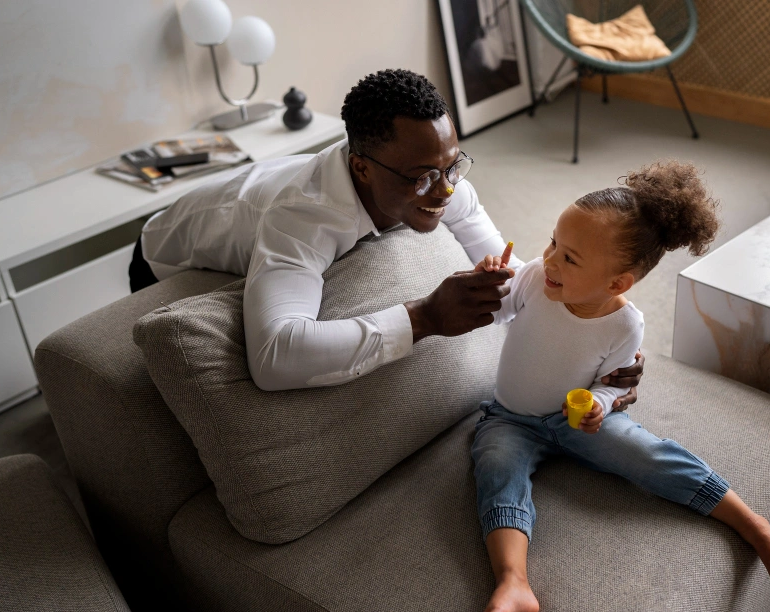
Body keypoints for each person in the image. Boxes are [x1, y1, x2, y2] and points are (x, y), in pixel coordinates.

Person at [128, 69, 644, 400]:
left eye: (452, 165)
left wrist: (603, 349)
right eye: (421, 176)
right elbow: (273, 358)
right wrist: (424, 317)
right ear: (363, 168)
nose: (444, 191)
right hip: (160, 254)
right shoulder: (302, 217)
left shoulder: (442, 182)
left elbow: (522, 283)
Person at [468, 162, 770, 612]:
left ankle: (753, 525)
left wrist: (601, 405)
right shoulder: (531, 278)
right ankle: (513, 582)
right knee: (496, 467)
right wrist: (491, 282)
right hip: (510, 417)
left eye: (570, 259)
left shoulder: (625, 325)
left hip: (573, 422)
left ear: (617, 284)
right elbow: (498, 310)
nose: (549, 261)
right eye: (552, 243)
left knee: (647, 453)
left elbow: (614, 381)